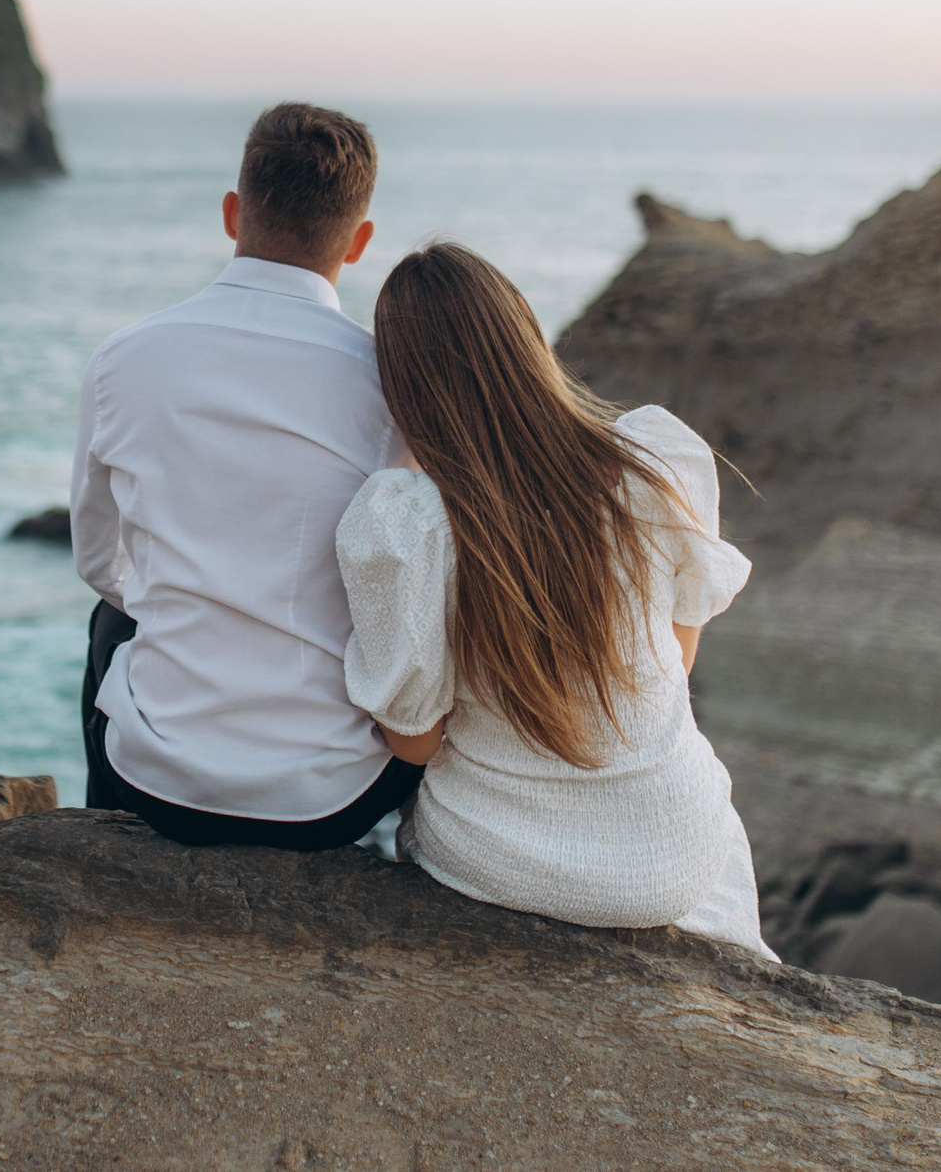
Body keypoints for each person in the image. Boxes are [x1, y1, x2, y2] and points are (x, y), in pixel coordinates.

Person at [335, 241, 774, 956]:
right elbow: (678, 662)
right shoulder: (651, 464)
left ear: (401, 391)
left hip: (503, 865)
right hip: (674, 857)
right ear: (532, 338)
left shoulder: (413, 522)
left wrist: (405, 463)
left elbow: (413, 741)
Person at [71, 102, 421, 848]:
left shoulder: (124, 357)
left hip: (155, 781)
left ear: (233, 213)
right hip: (326, 800)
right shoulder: (389, 386)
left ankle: (105, 853)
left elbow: (99, 562)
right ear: (358, 241)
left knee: (111, 624)